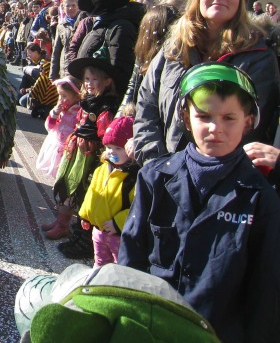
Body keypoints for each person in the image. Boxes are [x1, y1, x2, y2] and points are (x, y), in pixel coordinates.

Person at [120, 62, 280, 343]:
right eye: (204, 116)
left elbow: (265, 291)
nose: (215, 128)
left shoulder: (260, 197)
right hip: (153, 330)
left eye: (229, 118)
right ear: (186, 117)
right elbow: (130, 261)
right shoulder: (154, 178)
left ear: (248, 121)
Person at [134, 0, 280, 165]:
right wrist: (157, 164)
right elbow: (146, 107)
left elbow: (249, 128)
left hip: (223, 177)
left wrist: (198, 173)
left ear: (241, 0)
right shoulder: (173, 48)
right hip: (162, 172)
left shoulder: (258, 56)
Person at [47, 57, 120, 248]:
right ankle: (61, 222)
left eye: (94, 79)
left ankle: (77, 231)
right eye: (86, 79)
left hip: (88, 155)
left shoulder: (105, 108)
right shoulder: (86, 102)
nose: (89, 83)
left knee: (81, 190)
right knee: (66, 183)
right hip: (75, 149)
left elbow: (105, 135)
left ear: (107, 82)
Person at [77, 116, 138, 268]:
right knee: (99, 263)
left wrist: (118, 223)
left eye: (118, 148)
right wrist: (85, 215)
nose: (112, 152)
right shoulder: (102, 169)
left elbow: (137, 207)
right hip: (98, 231)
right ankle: (98, 279)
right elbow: (92, 193)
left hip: (118, 235)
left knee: (119, 267)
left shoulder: (133, 177)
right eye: (109, 147)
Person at [36, 76, 82, 179]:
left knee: (62, 170)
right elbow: (49, 127)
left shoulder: (79, 112)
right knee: (53, 166)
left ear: (77, 97)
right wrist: (54, 114)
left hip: (67, 147)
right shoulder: (59, 110)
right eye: (59, 95)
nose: (60, 99)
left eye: (64, 96)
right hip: (55, 142)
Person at [50, 0, 83, 80]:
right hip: (66, 68)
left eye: (73, 5)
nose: (70, 8)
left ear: (78, 6)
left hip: (81, 66)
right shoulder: (61, 26)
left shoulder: (84, 22)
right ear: (63, 8)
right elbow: (56, 51)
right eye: (67, 6)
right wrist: (53, 75)